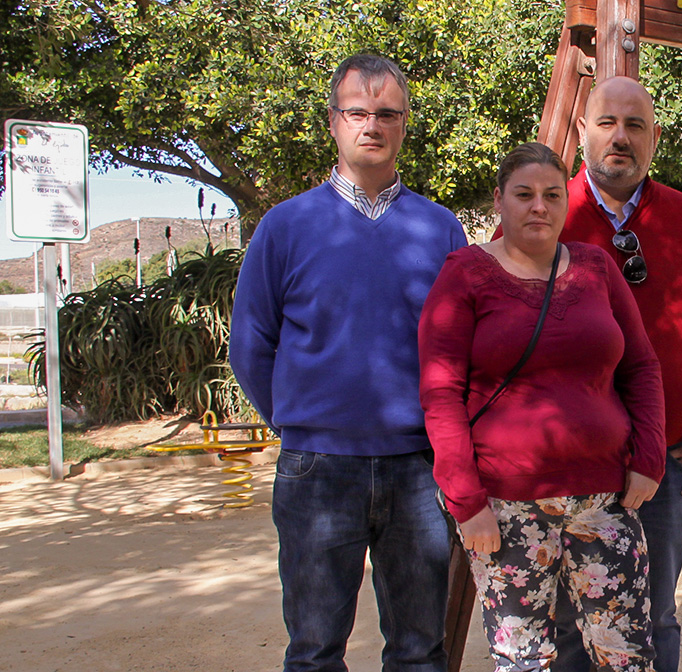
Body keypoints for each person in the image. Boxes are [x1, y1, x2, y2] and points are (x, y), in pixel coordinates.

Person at [498, 77, 682, 671]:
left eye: (635, 126)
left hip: (664, 464)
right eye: (606, 123)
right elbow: (491, 334)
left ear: (653, 138)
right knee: (567, 626)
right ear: (581, 133)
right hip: (563, 470)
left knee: (653, 620)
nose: (620, 138)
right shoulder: (543, 215)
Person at [230, 54, 467, 672]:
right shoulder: (285, 227)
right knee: (314, 651)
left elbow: (461, 346)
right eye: (357, 112)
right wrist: (296, 421)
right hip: (317, 467)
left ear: (405, 124)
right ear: (333, 122)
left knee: (420, 650)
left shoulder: (440, 230)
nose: (372, 125)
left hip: (418, 468)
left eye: (387, 113)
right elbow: (252, 343)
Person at [419, 142, 667, 672]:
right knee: (524, 658)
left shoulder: (598, 267)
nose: (539, 206)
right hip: (506, 507)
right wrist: (466, 500)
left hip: (605, 499)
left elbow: (641, 367)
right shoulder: (464, 274)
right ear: (499, 202)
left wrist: (649, 458)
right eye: (524, 194)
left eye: (552, 195)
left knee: (627, 653)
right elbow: (441, 392)